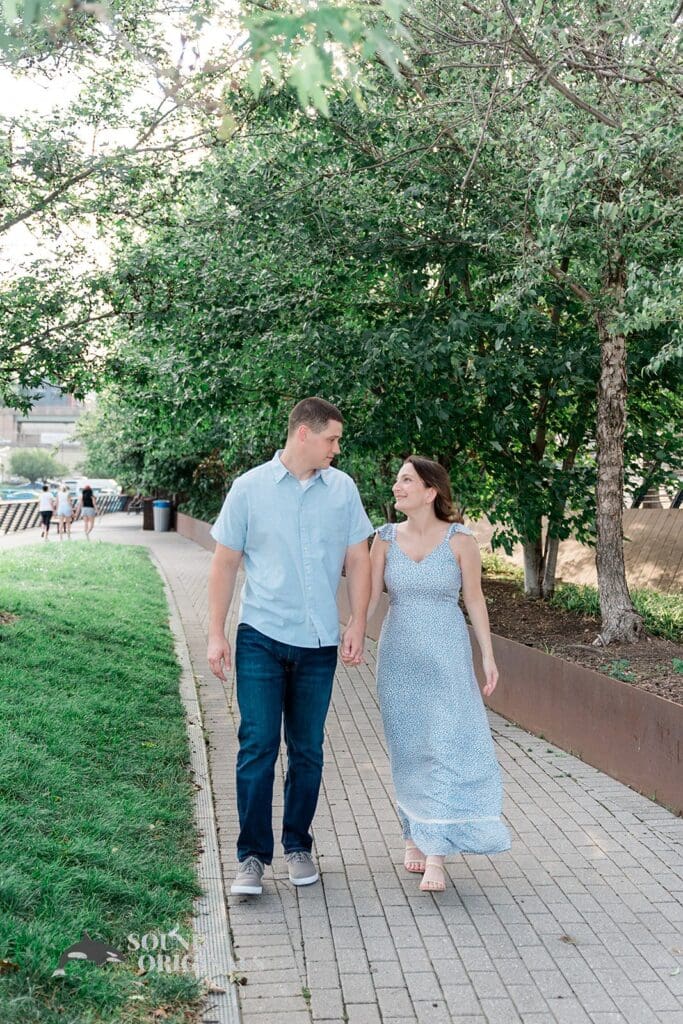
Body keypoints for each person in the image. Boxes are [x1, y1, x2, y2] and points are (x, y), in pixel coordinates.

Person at [207, 397, 373, 897]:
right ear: (304, 433)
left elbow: (359, 560)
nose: (336, 449)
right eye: (331, 439)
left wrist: (358, 621)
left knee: (307, 750)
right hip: (260, 635)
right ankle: (252, 858)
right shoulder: (249, 488)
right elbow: (224, 564)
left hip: (319, 643)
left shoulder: (342, 490)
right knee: (257, 745)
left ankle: (298, 844)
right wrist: (215, 632)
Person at [369, 456, 510, 894]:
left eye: (406, 480)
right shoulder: (383, 539)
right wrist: (351, 635)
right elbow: (369, 597)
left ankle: (436, 853)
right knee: (409, 750)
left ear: (430, 491)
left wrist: (488, 656)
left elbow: (475, 600)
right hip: (399, 659)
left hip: (447, 658)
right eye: (397, 480)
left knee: (445, 746)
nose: (397, 486)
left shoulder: (460, 540)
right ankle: (414, 832)